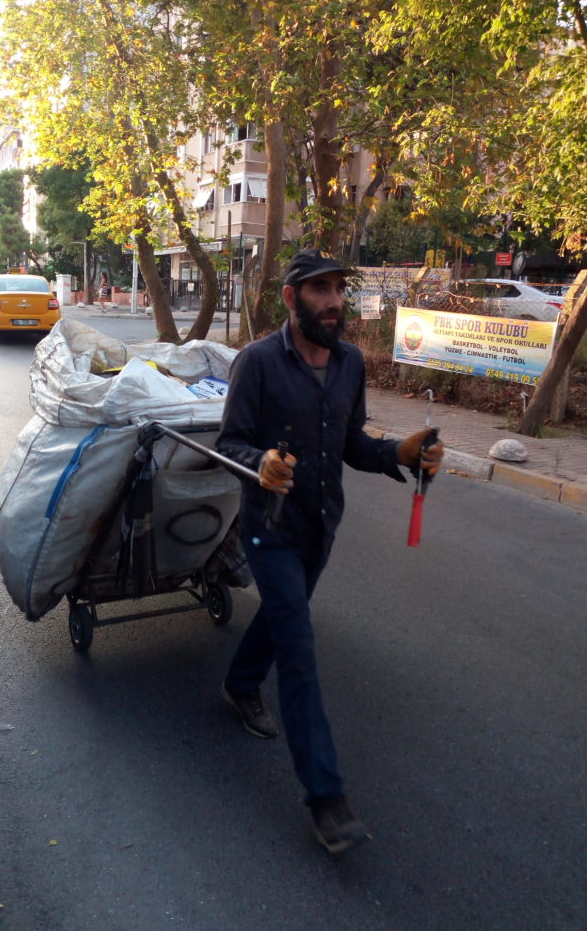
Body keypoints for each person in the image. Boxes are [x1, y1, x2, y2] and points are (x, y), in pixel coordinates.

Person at [215, 248, 444, 855]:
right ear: (291, 299)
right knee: (298, 646)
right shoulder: (257, 362)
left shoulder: (348, 364)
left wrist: (399, 450)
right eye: (320, 290)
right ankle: (326, 798)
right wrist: (258, 463)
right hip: (269, 527)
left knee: (282, 616)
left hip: (321, 525)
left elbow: (350, 443)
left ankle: (239, 683)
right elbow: (230, 443)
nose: (334, 301)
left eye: (339, 289)